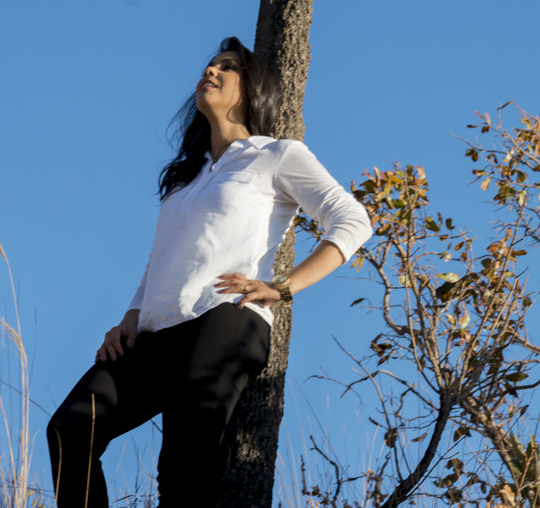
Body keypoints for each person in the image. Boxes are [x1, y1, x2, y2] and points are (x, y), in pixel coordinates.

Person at [46, 36, 372, 508]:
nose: (211, 71)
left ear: (252, 90)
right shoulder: (184, 177)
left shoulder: (277, 154)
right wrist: (130, 317)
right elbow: (161, 260)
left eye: (228, 66)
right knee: (69, 430)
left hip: (224, 319)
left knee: (181, 470)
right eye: (211, 64)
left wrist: (283, 287)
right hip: (154, 332)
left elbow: (353, 220)